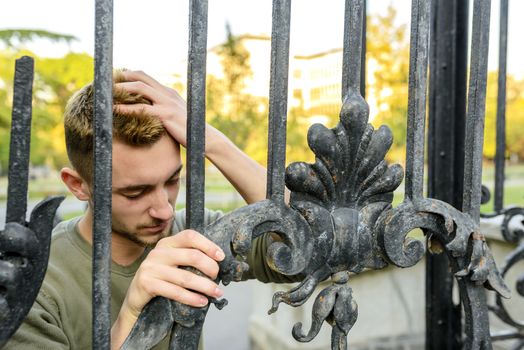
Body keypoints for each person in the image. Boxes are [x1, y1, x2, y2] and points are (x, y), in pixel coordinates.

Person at [6, 70, 295, 349]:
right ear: (78, 185)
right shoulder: (33, 285)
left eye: (172, 180)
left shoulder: (194, 233)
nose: (164, 211)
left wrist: (209, 139)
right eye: (135, 192)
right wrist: (131, 316)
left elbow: (308, 237)